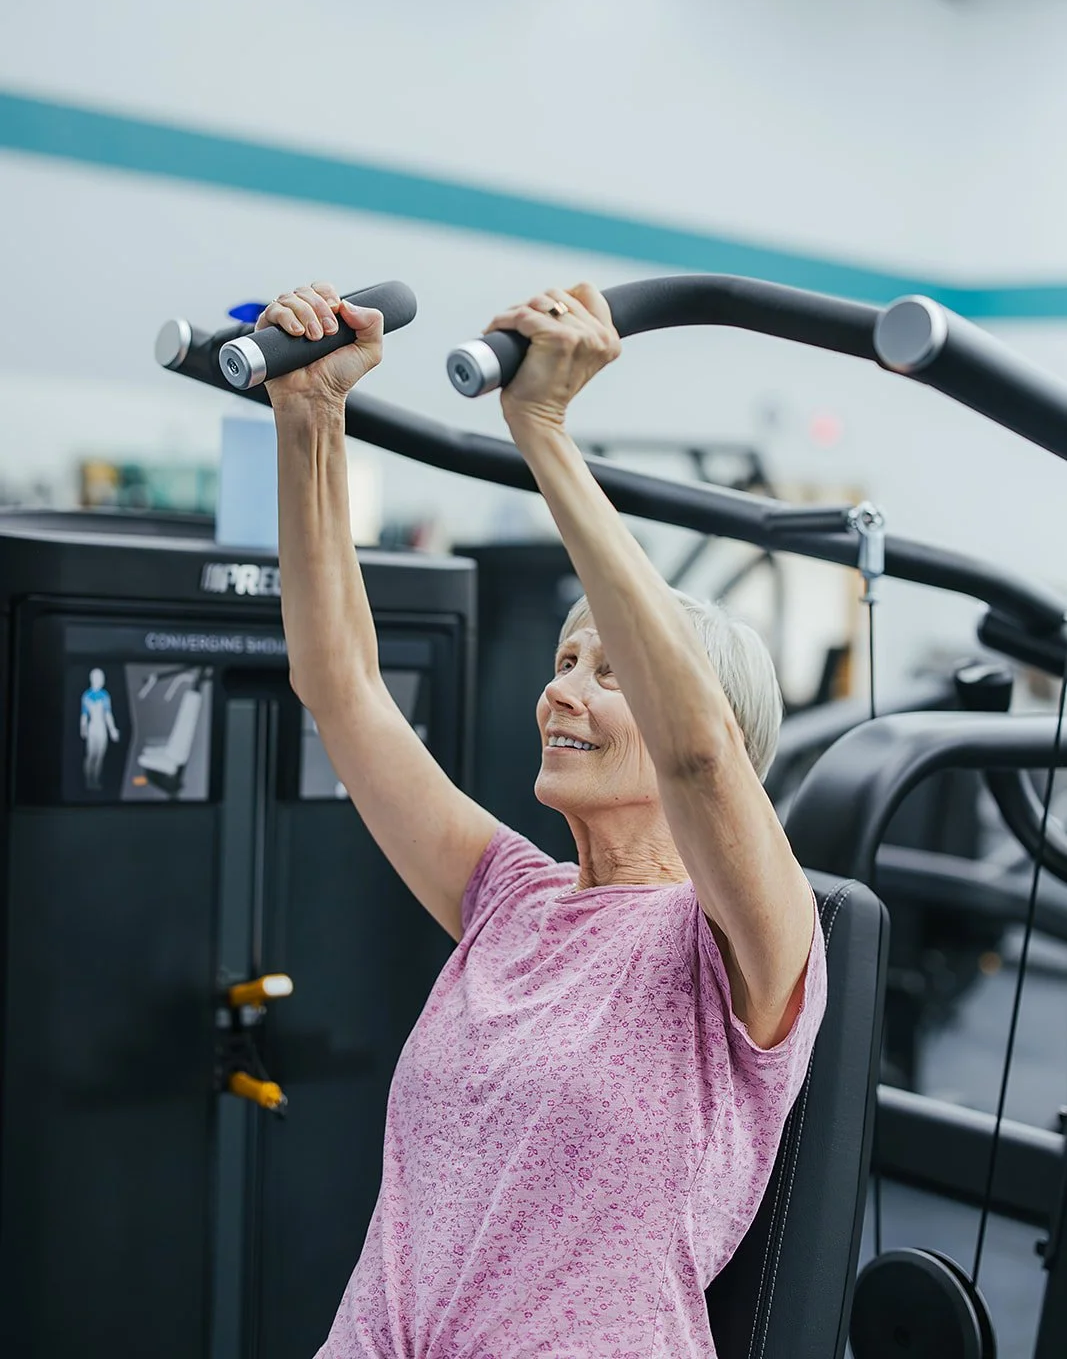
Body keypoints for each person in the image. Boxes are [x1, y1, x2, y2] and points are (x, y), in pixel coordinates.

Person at [261, 280, 827, 1359]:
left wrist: (545, 432)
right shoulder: (507, 900)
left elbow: (699, 755)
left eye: (608, 673)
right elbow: (339, 689)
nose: (562, 691)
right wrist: (310, 418)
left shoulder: (739, 947)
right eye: (563, 660)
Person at [80, 666, 120, 790]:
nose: (102, 680)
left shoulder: (105, 695)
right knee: (91, 755)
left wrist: (112, 730)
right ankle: (88, 781)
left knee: (100, 757)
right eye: (99, 677)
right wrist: (83, 729)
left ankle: (95, 782)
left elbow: (108, 714)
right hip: (93, 728)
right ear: (93, 679)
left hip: (101, 728)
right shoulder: (86, 695)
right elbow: (84, 715)